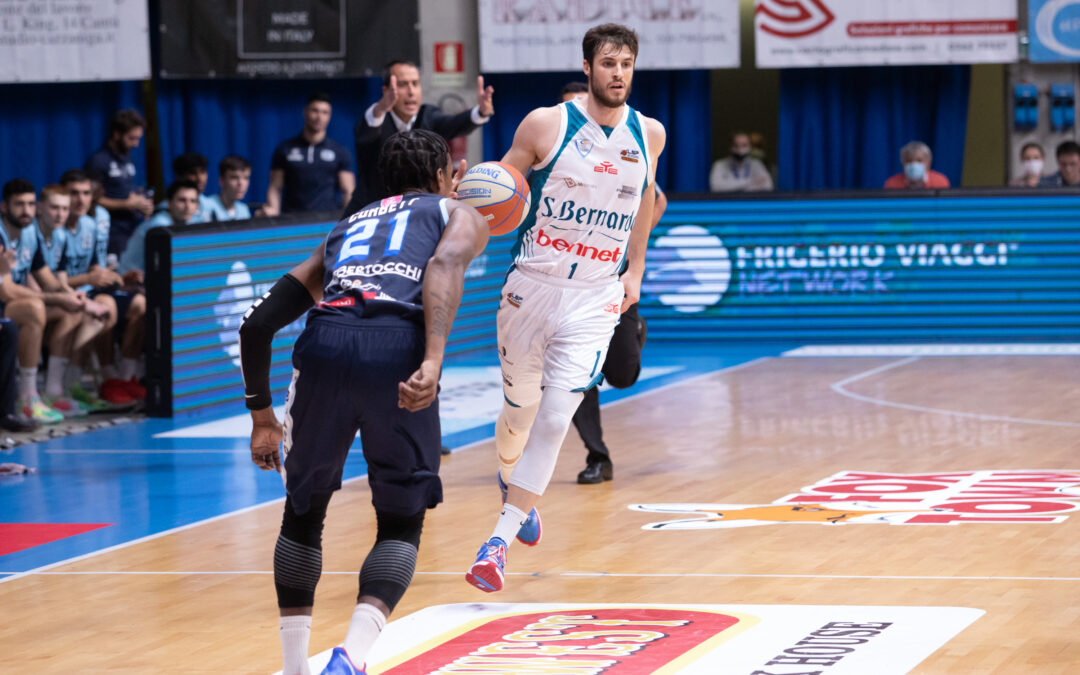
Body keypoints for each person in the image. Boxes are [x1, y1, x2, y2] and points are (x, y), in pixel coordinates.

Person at [238, 129, 486, 675]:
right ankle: (350, 655)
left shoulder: (345, 228)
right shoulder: (456, 212)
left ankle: (294, 667)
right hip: (396, 349)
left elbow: (256, 325)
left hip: (324, 345)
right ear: (444, 175)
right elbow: (443, 268)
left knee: (303, 514)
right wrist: (434, 359)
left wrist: (262, 419)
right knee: (400, 522)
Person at [464, 23, 666, 594]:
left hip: (595, 297)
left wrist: (636, 270)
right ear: (587, 67)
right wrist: (465, 210)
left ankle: (496, 543)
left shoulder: (649, 134)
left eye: (626, 63)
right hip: (531, 287)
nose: (618, 73)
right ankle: (513, 485)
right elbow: (496, 191)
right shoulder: (546, 124)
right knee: (519, 414)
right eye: (608, 63)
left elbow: (646, 200)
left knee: (556, 417)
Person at [572, 185, 666, 484]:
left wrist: (631, 247)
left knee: (622, 377)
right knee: (577, 372)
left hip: (614, 274)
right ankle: (598, 456)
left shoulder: (625, 158)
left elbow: (659, 201)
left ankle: (635, 332)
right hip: (570, 280)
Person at [343, 60, 494, 216]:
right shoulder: (375, 120)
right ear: (386, 90)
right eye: (402, 84)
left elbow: (453, 123)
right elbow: (368, 128)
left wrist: (480, 112)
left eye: (415, 83)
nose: (411, 91)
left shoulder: (428, 115)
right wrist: (382, 106)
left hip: (413, 213)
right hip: (368, 210)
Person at [0, 179, 94, 424]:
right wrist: (58, 297)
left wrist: (72, 297)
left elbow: (47, 279)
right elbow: (7, 291)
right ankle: (27, 398)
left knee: (70, 310)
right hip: (6, 302)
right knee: (34, 308)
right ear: (4, 207)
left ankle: (53, 391)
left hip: (9, 304)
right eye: (19, 204)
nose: (26, 211)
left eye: (30, 204)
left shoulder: (29, 234)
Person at [59, 169, 142, 406]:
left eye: (86, 193)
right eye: (74, 193)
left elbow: (97, 271)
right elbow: (53, 279)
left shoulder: (90, 225)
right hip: (62, 294)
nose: (81, 199)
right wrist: (89, 279)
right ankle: (90, 381)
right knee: (99, 308)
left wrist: (119, 279)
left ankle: (121, 378)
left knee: (129, 305)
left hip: (85, 290)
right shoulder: (53, 228)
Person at [34, 184, 111, 415]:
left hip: (44, 300)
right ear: (40, 208)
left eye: (64, 209)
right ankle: (51, 393)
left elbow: (59, 280)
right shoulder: (31, 234)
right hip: (25, 302)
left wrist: (77, 297)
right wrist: (77, 300)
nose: (60, 214)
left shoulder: (59, 236)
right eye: (54, 208)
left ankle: (68, 386)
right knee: (74, 312)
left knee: (95, 314)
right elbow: (34, 285)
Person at [265, 92, 355, 215]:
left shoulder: (339, 151)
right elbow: (275, 188)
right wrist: (273, 214)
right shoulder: (284, 149)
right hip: (291, 221)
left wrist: (348, 221)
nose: (319, 117)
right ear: (305, 112)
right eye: (315, 111)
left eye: (325, 112)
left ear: (329, 116)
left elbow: (348, 191)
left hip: (327, 222)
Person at [84, 109, 154, 255]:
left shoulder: (126, 156)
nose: (136, 144)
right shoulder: (98, 161)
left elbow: (124, 192)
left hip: (131, 226)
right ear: (116, 134)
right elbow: (90, 199)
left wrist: (141, 203)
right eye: (132, 138)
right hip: (111, 232)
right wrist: (126, 204)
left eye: (138, 139)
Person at [118, 179, 202, 277]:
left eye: (193, 201)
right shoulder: (159, 226)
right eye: (182, 200)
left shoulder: (190, 221)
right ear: (169, 203)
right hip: (130, 282)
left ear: (197, 206)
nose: (188, 206)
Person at [710, 132, 774, 192]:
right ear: (730, 147)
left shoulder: (757, 164)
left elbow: (768, 185)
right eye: (736, 145)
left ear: (750, 147)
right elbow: (716, 187)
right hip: (727, 202)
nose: (740, 149)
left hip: (751, 202)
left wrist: (731, 185)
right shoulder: (719, 165)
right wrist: (750, 182)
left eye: (744, 145)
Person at [884, 141, 950, 189]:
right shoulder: (891, 184)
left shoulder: (940, 182)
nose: (913, 165)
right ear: (902, 163)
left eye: (919, 161)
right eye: (909, 160)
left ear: (928, 163)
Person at [206, 155, 253, 221]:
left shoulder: (244, 210)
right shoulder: (206, 206)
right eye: (234, 177)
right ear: (221, 180)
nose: (241, 183)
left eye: (246, 178)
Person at [170, 152, 215, 221]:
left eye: (202, 172)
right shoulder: (165, 211)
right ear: (180, 177)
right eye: (193, 173)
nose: (200, 179)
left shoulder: (211, 206)